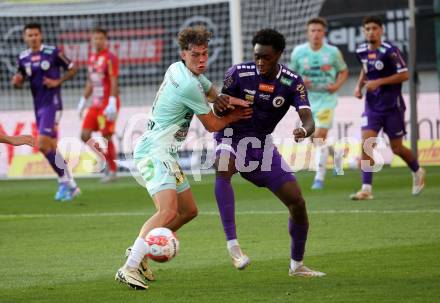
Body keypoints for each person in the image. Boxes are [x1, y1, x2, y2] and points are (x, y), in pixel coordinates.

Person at [115, 26, 253, 290]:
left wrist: (233, 100)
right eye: (195, 55)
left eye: (205, 54)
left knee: (189, 211)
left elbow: (214, 93)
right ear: (183, 54)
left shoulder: (179, 70)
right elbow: (213, 124)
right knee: (167, 211)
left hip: (165, 151)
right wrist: (237, 114)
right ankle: (129, 267)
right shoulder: (188, 84)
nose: (201, 60)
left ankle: (141, 250)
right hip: (154, 151)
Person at [213, 28, 325, 277]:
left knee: (297, 203)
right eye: (257, 57)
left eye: (266, 57)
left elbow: (309, 120)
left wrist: (303, 132)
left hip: (262, 147)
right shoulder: (238, 74)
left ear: (279, 55)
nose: (260, 62)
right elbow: (219, 110)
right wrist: (221, 107)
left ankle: (297, 266)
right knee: (222, 167)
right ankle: (233, 246)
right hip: (232, 137)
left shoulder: (292, 82)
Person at [351, 15, 425, 200]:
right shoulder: (361, 50)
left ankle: (417, 171)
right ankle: (366, 189)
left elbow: (405, 74)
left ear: (381, 30)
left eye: (374, 28)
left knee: (397, 148)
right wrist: (359, 87)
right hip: (372, 106)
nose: (371, 32)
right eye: (367, 29)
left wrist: (379, 82)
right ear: (363, 31)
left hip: (393, 106)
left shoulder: (390, 51)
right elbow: (365, 70)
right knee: (367, 144)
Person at [12, 22, 80, 201]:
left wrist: (58, 82)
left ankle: (64, 182)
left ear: (40, 35)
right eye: (29, 35)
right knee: (50, 147)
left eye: (36, 34)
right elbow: (20, 78)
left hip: (53, 104)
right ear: (25, 38)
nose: (33, 38)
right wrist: (16, 82)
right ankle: (70, 185)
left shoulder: (53, 52)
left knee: (42, 144)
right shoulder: (23, 58)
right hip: (38, 107)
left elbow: (73, 68)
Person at [289, 17, 349, 190]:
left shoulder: (333, 52)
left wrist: (337, 85)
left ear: (324, 33)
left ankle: (319, 178)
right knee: (314, 139)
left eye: (319, 31)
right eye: (312, 31)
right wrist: (301, 81)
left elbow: (344, 71)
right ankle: (335, 155)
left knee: (319, 135)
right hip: (306, 101)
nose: (315, 34)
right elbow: (292, 75)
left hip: (326, 101)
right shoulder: (298, 52)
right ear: (308, 33)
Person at [77, 27, 120, 183]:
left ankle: (112, 170)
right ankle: (104, 158)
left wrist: (113, 102)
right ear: (91, 40)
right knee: (84, 135)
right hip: (95, 104)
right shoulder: (92, 57)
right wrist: (82, 100)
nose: (97, 41)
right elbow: (91, 81)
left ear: (105, 40)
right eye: (95, 38)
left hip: (107, 104)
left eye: (101, 38)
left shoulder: (110, 58)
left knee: (106, 136)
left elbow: (114, 80)